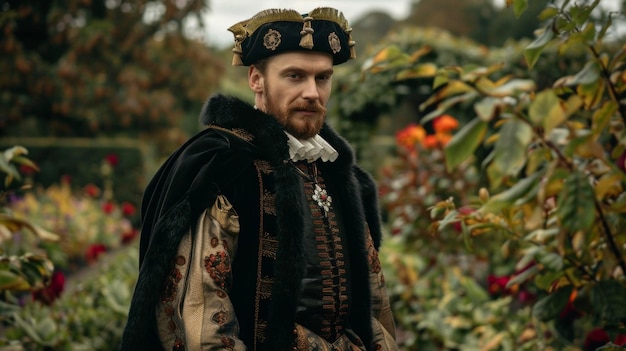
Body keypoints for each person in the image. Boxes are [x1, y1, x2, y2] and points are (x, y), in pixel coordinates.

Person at [120, 7, 398, 351]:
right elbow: (200, 318)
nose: (312, 92)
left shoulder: (338, 172)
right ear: (256, 79)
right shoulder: (225, 168)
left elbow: (373, 302)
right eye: (295, 76)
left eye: (322, 78)